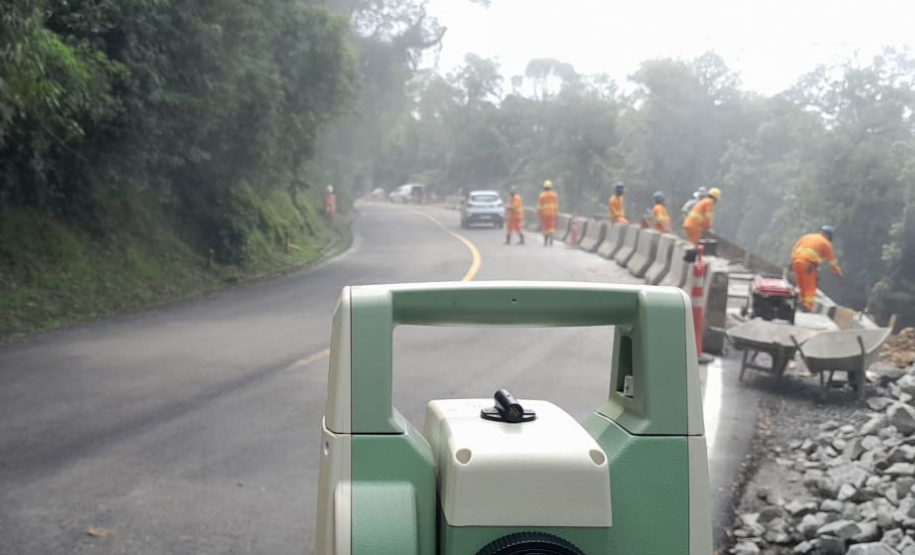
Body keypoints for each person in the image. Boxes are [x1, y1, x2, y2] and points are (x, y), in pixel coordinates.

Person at [792, 225, 842, 312]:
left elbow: (795, 248)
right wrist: (837, 272)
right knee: (810, 288)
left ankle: (801, 302)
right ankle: (808, 307)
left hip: (796, 262)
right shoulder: (826, 243)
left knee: (802, 285)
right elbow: (832, 261)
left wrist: (794, 260)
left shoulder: (807, 236)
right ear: (828, 235)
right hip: (808, 265)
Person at [537, 180, 559, 246]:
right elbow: (556, 205)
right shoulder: (554, 195)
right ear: (550, 187)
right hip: (552, 214)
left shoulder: (542, 195)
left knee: (545, 228)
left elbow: (539, 206)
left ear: (544, 187)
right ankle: (551, 236)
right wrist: (556, 213)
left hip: (544, 214)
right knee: (551, 227)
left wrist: (539, 214)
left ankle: (545, 241)